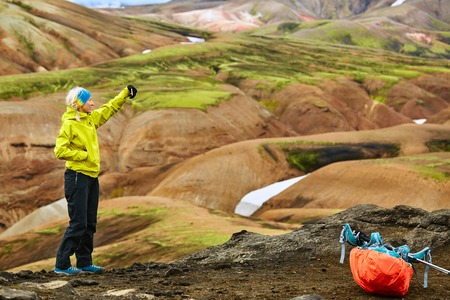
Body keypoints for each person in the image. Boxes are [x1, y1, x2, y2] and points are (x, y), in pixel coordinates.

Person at [53, 85, 137, 275]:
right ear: (78, 104)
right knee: (78, 223)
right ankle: (62, 264)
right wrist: (83, 156)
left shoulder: (90, 119)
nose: (92, 103)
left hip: (91, 177)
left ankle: (84, 262)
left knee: (90, 222)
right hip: (76, 177)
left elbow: (109, 109)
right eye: (88, 100)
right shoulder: (70, 124)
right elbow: (59, 150)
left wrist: (125, 94)